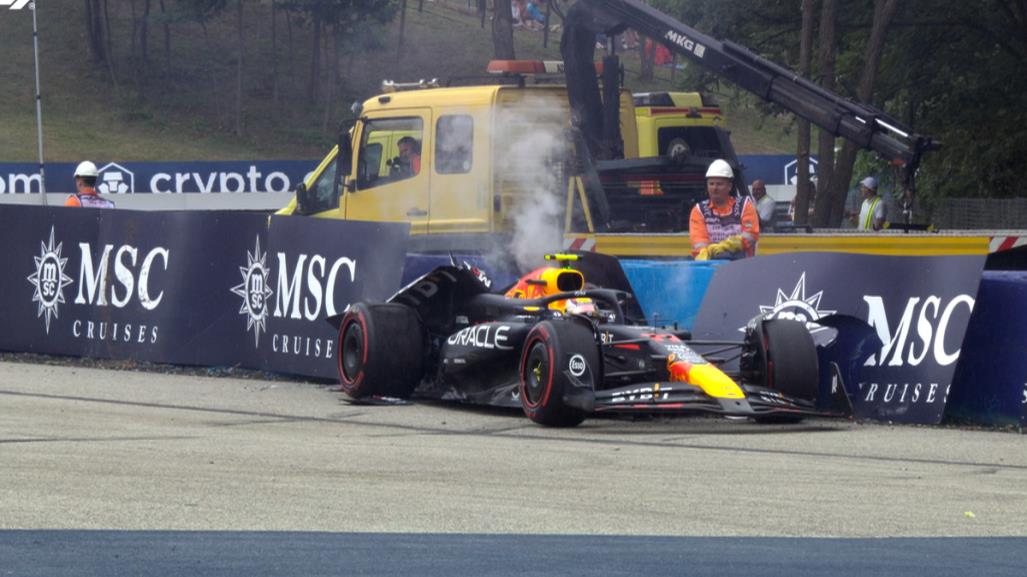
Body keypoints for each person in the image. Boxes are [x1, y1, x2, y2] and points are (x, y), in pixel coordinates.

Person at [689, 159, 759, 260]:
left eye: (719, 184)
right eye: (711, 184)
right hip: (711, 266)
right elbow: (699, 243)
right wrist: (704, 252)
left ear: (729, 186)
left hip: (743, 266)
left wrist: (728, 245)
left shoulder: (744, 206)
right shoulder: (699, 211)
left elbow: (751, 235)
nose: (714, 188)